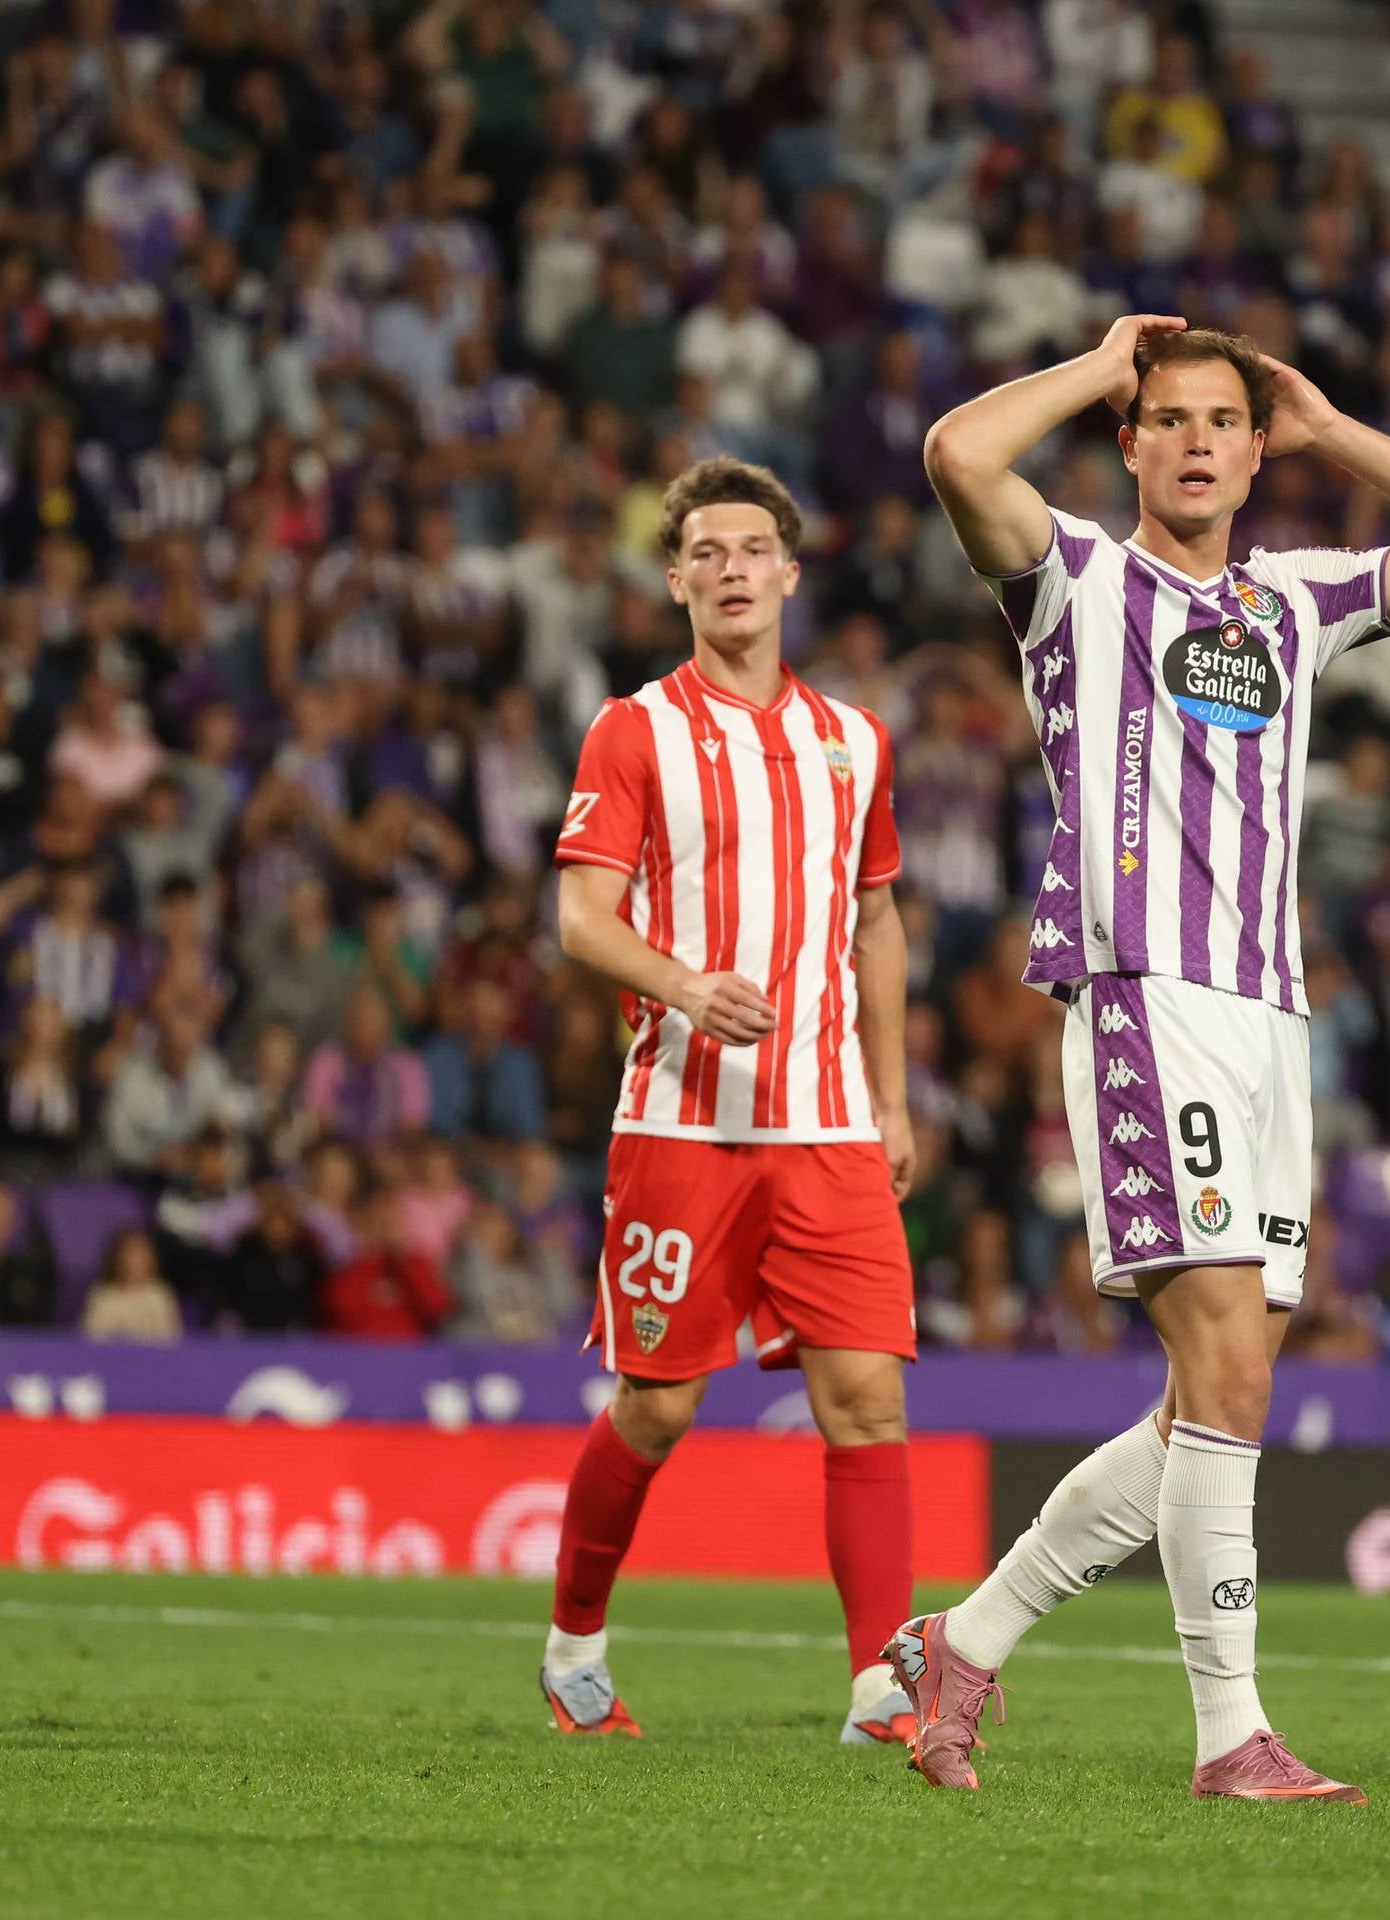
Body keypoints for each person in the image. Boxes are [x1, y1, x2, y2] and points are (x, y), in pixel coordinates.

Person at [897, 315, 1390, 1800]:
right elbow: (952, 453)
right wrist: (1101, 357)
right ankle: (1228, 1737)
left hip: (1268, 1019)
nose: (1192, 441)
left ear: (1255, 450)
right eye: (1165, 418)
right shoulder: (1070, 576)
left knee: (1210, 1396)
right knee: (1231, 1367)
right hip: (1142, 995)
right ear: (1127, 441)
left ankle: (965, 1645)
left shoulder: (1297, 601)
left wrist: (1335, 428)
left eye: (1221, 422)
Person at [537, 458, 920, 1752]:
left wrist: (895, 1097)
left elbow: (876, 919)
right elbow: (581, 919)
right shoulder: (633, 728)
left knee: (865, 1398)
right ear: (676, 579)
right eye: (707, 551)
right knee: (657, 1406)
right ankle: (575, 1645)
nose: (733, 569)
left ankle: (879, 1688)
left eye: (754, 548)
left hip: (827, 1124)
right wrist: (685, 986)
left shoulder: (853, 739)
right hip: (680, 1124)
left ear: (790, 572)